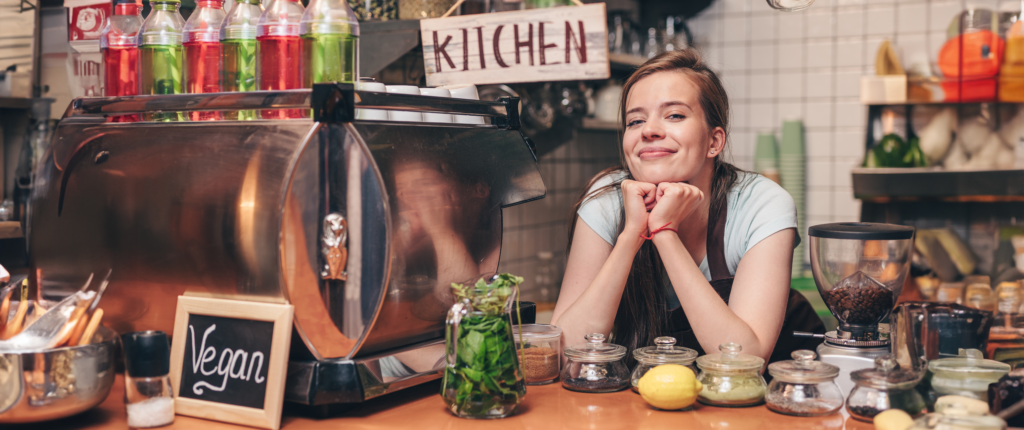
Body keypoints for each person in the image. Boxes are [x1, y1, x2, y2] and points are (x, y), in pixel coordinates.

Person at [551, 49, 823, 367]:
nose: (648, 130)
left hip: (762, 400)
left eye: (675, 115)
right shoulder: (605, 201)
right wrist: (630, 237)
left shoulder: (761, 204)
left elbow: (745, 359)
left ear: (714, 141)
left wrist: (665, 232)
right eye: (635, 121)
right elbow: (563, 349)